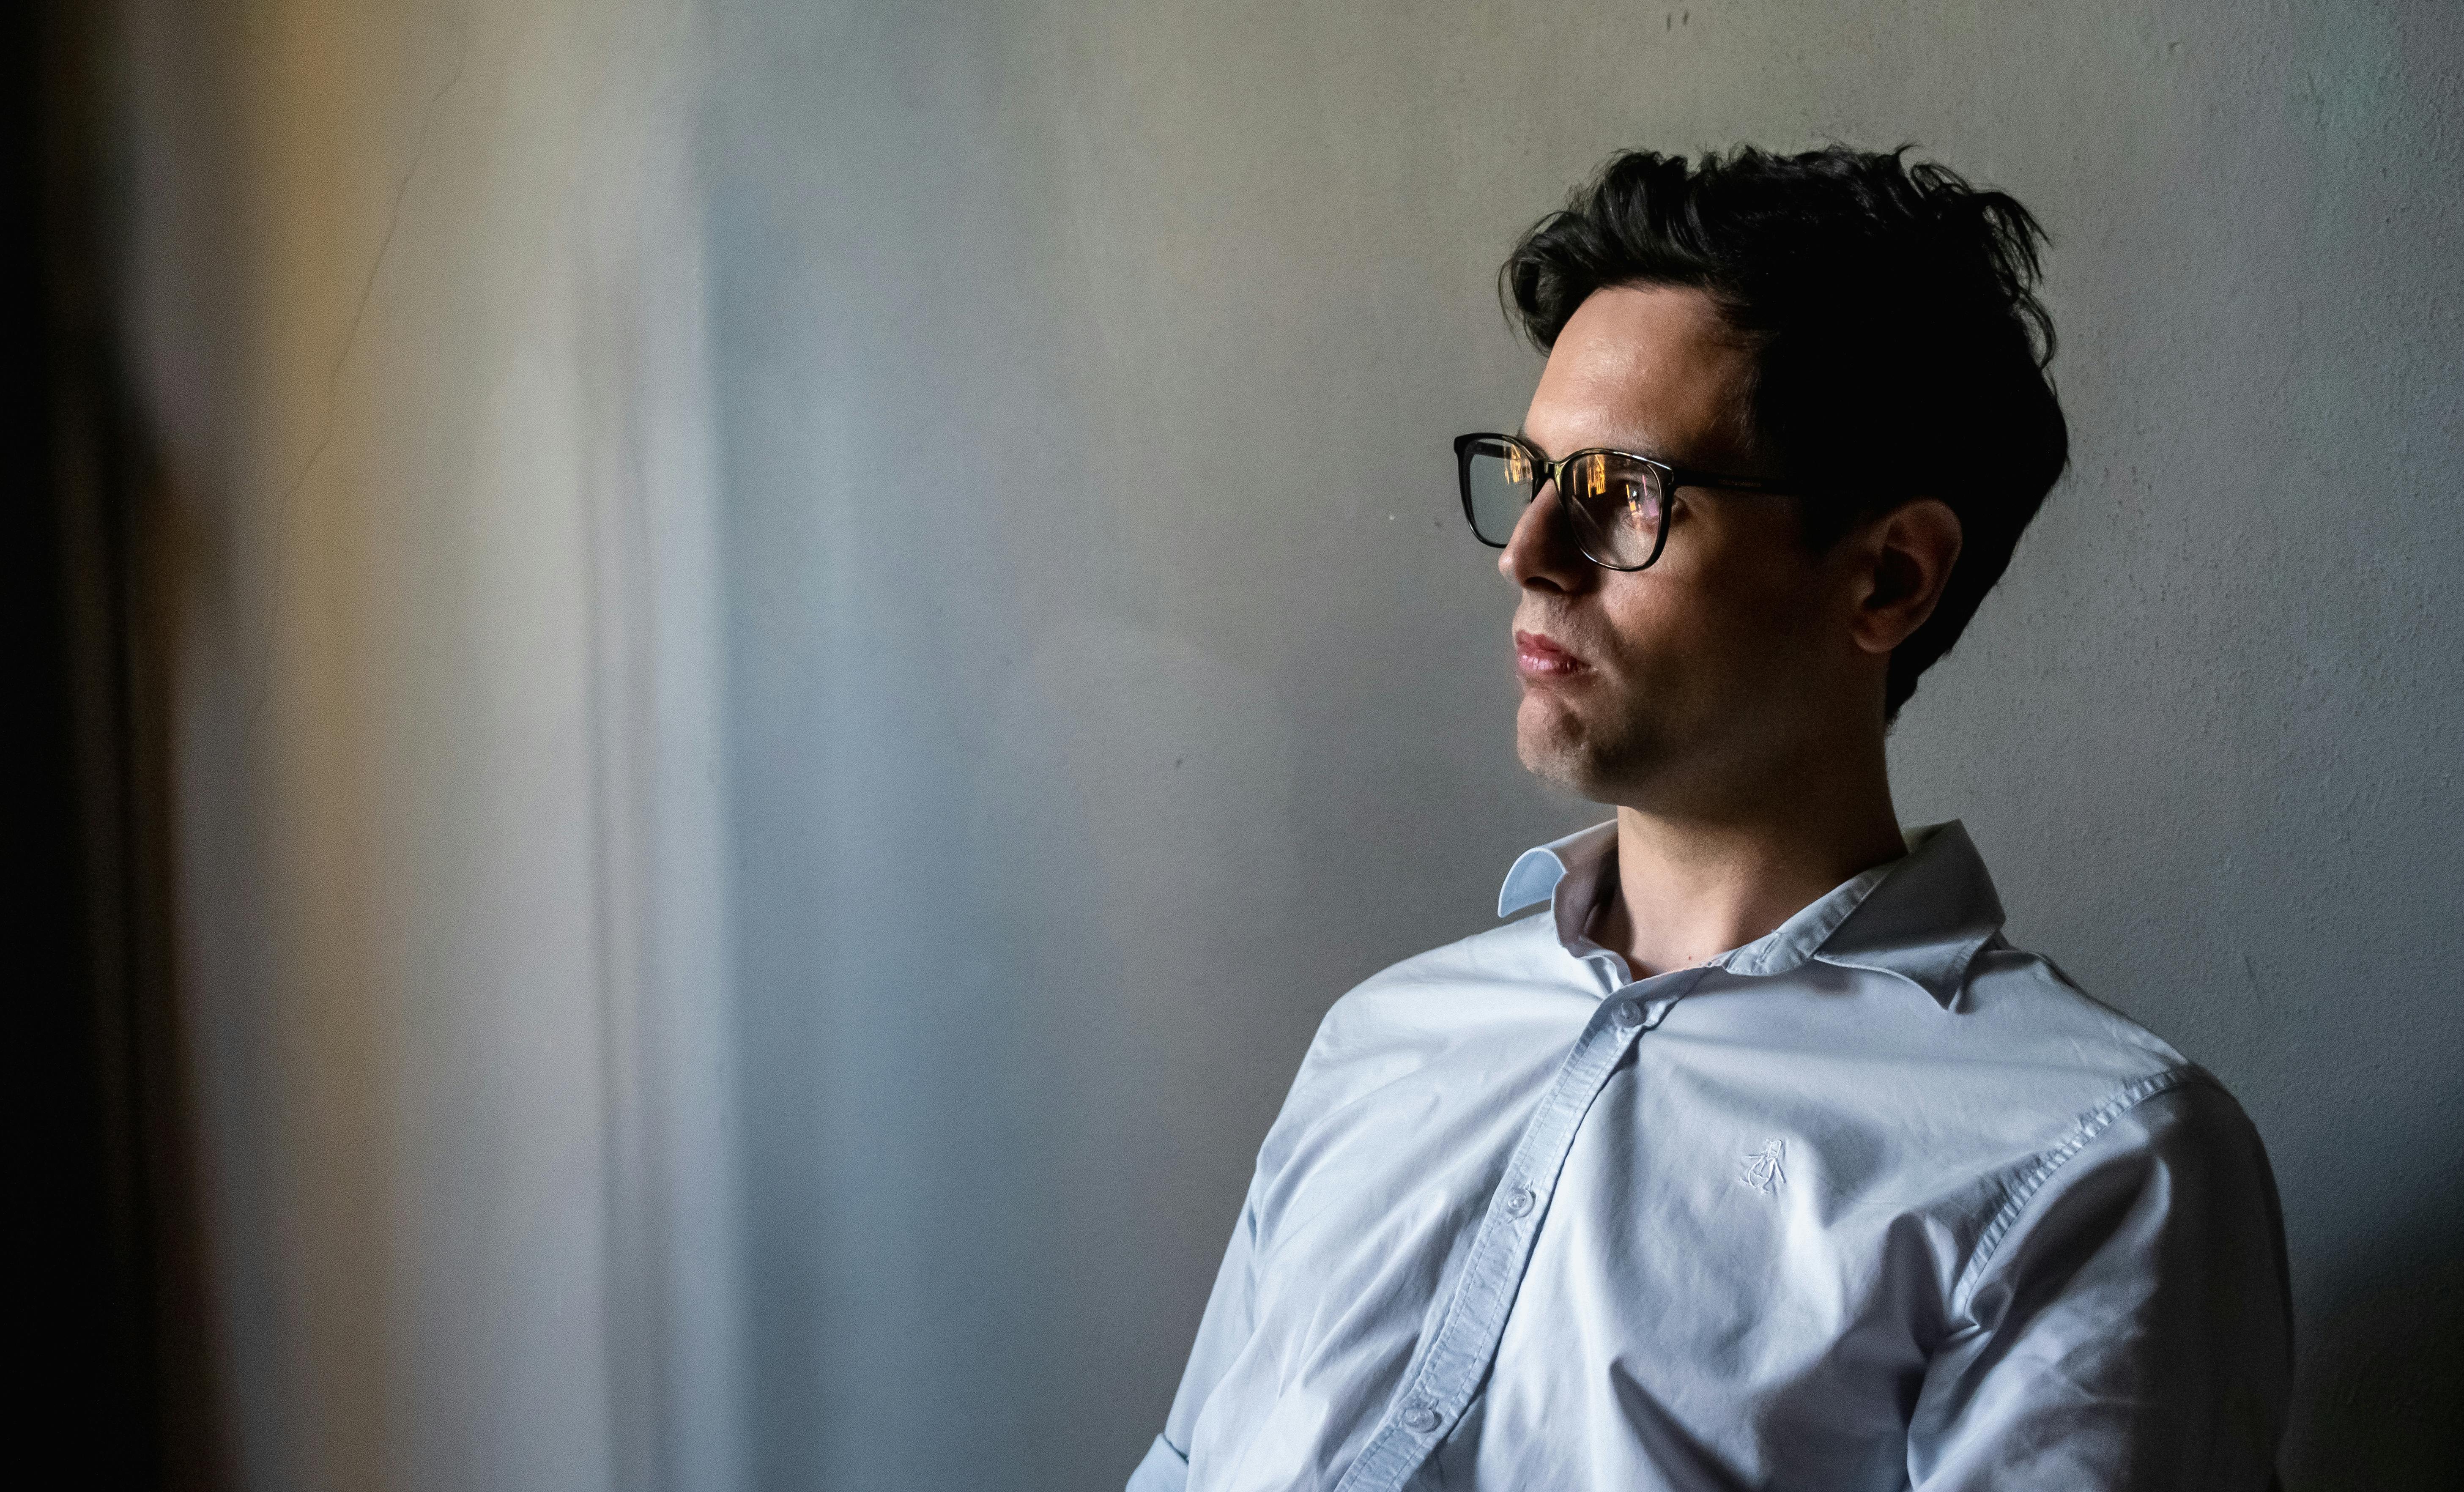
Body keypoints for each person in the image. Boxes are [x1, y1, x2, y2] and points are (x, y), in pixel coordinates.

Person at [1126, 145, 2292, 1492]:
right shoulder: (1382, 1038)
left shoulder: (2093, 1160)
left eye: (1621, 492)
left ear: (1888, 576)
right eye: (1529, 472)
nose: (1526, 555)